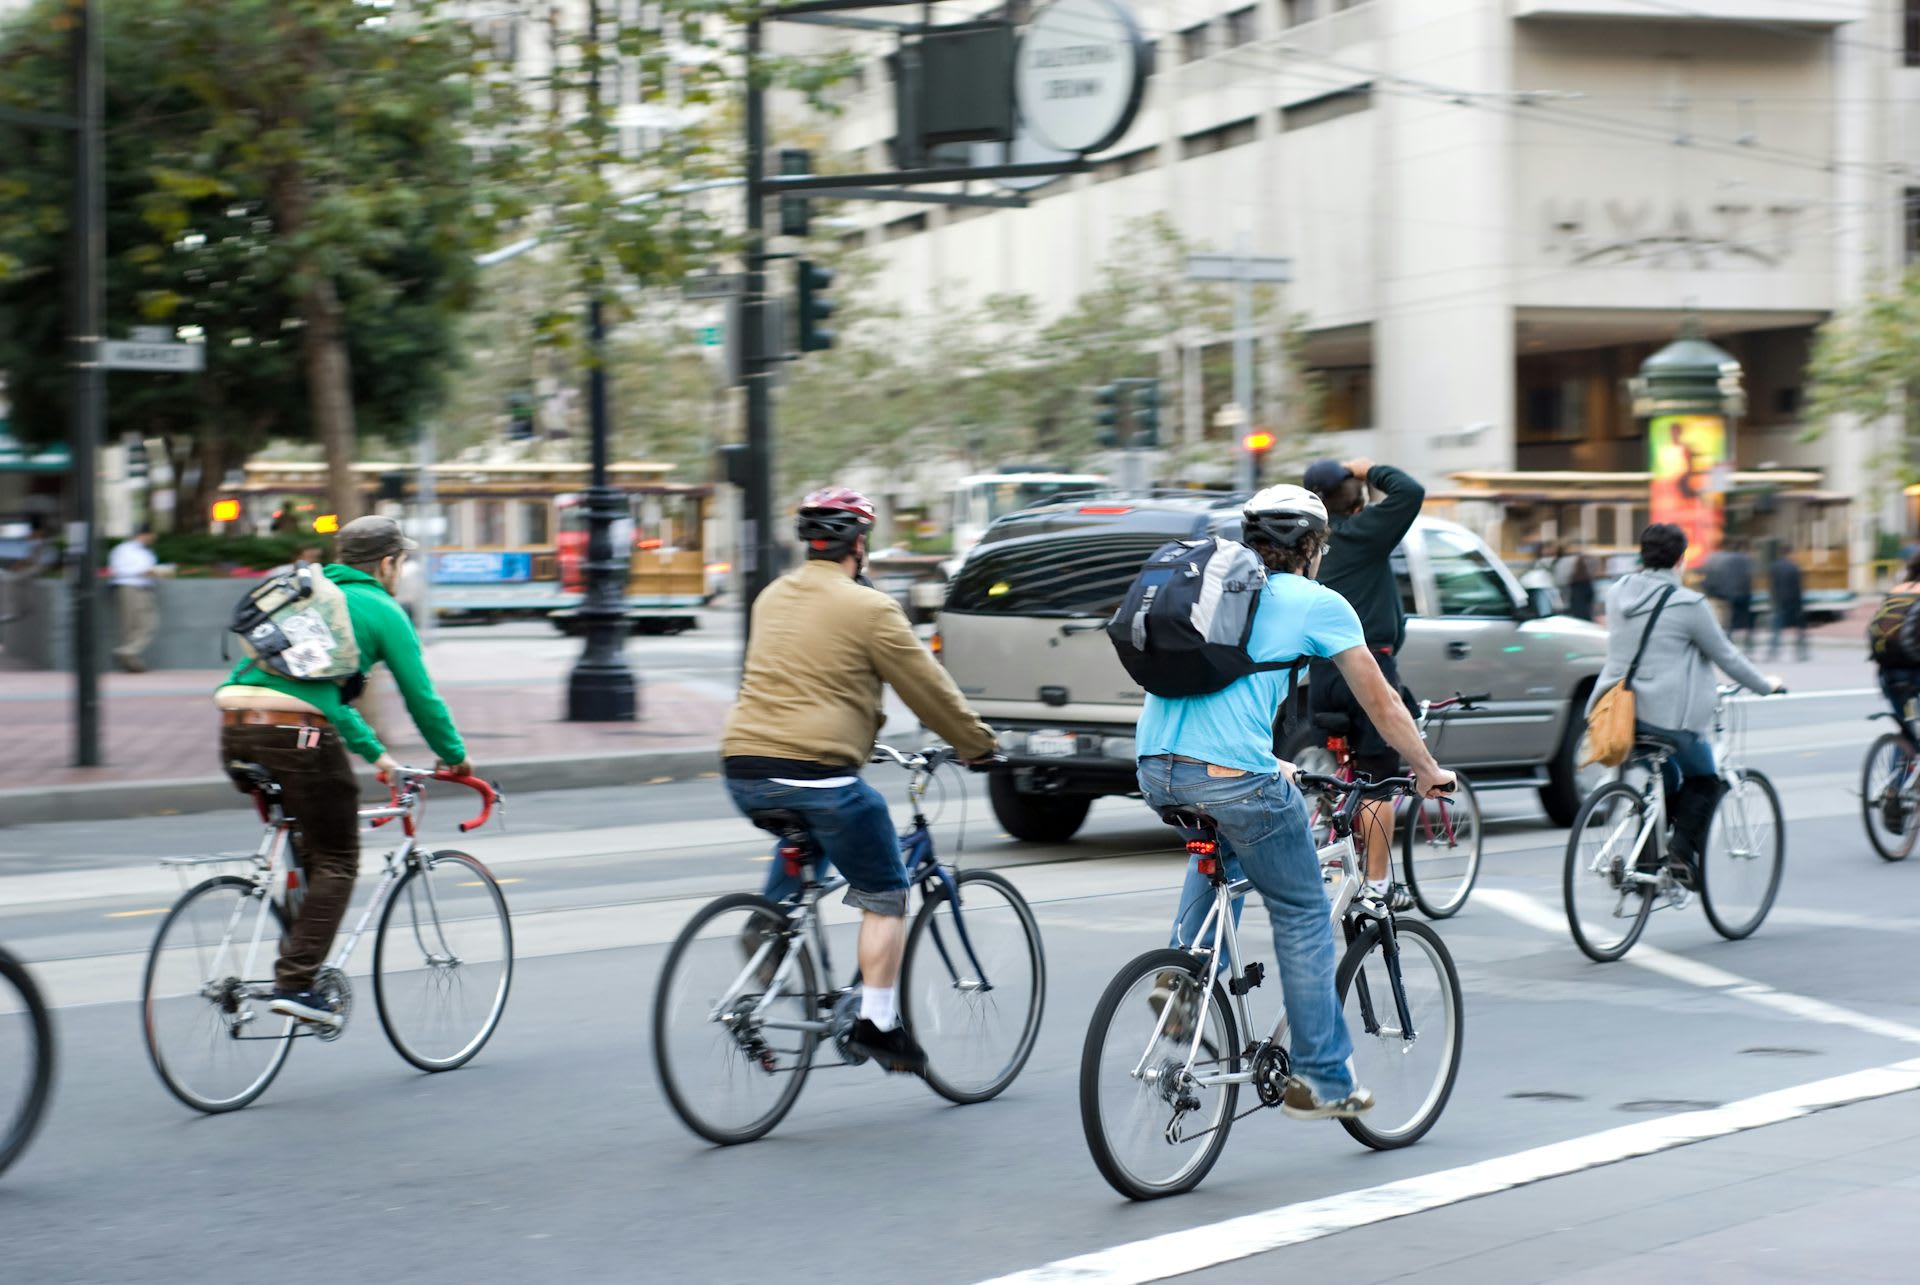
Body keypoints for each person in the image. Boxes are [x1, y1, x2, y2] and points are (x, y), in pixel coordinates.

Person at [1139, 485, 1453, 1121]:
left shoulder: (1214, 589)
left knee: (1226, 846)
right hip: (1230, 775)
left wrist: (1272, 761)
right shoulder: (1318, 602)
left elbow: (1216, 691)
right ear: (1312, 547)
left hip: (1156, 766)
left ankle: (1184, 982)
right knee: (1305, 911)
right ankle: (1324, 1081)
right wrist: (1426, 769)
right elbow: (1382, 702)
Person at [720, 487, 997, 1076]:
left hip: (744, 768)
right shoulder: (870, 608)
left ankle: (770, 927)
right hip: (816, 774)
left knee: (812, 834)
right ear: (860, 544)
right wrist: (978, 745)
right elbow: (927, 688)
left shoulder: (771, 596)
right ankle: (879, 1024)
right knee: (885, 889)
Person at [214, 515, 472, 1025]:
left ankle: (297, 954)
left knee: (312, 845)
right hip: (297, 735)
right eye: (402, 562)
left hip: (236, 725)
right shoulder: (382, 608)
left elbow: (323, 697)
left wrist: (379, 757)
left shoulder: (310, 595)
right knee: (338, 859)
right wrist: (455, 755)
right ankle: (296, 983)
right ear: (388, 563)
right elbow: (421, 697)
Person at [1588, 524, 1781, 888]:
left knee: (1667, 780)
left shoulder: (1617, 594)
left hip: (1617, 713)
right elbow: (1726, 655)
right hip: (1665, 718)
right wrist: (1765, 685)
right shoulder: (1689, 605)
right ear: (1681, 559)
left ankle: (1647, 866)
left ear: (1642, 554)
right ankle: (1680, 856)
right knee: (1704, 779)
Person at [1301, 456, 1426, 909]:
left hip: (1322, 678)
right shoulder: (1364, 533)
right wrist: (1370, 468)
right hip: (1368, 670)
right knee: (1377, 783)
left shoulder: (1310, 543)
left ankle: (1330, 832)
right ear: (1354, 500)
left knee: (1341, 771)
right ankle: (1377, 885)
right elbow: (1410, 492)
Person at [108, 528, 162, 672]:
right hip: (129, 587)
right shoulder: (123, 549)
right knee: (129, 625)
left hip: (144, 588)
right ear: (143, 534)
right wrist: (143, 571)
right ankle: (129, 659)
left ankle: (127, 652)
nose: (152, 539)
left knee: (148, 623)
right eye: (151, 536)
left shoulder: (146, 551)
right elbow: (118, 569)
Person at [1768, 547, 1808, 662]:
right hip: (1794, 600)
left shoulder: (1775, 566)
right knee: (1799, 628)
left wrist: (1773, 599)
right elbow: (1798, 586)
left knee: (1777, 627)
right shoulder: (1794, 566)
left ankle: (1773, 651)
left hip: (1780, 600)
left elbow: (1772, 585)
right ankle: (1801, 651)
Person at [1559, 541, 1597, 622]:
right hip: (1578, 585)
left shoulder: (1581, 558)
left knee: (1582, 608)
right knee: (1581, 608)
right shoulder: (1573, 559)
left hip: (1582, 584)